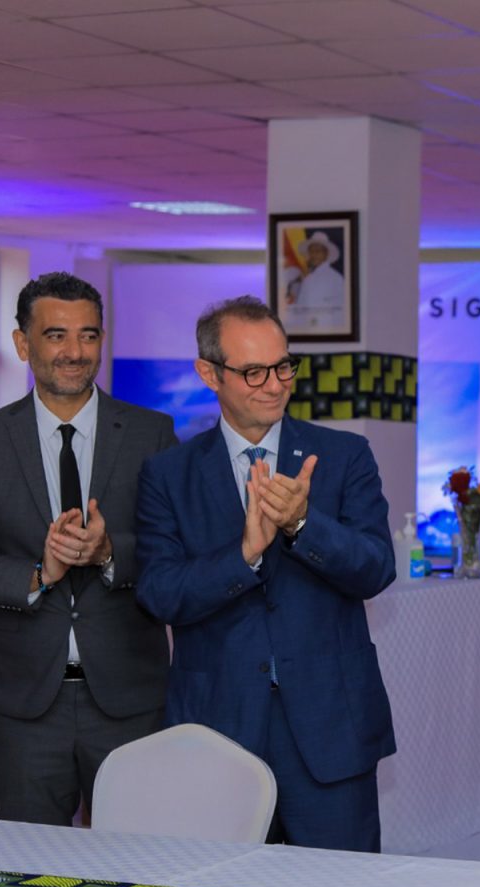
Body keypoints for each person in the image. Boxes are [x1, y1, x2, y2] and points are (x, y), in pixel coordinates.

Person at [135, 295, 396, 852]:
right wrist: (244, 556)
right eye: (254, 371)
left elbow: (376, 567)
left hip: (330, 728)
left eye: (283, 367)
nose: (274, 385)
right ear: (209, 373)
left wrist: (302, 525)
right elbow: (159, 593)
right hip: (219, 729)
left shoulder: (345, 456)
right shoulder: (169, 474)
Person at [0, 272, 177, 825]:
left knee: (139, 866)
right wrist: (38, 573)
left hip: (129, 702)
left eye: (89, 335)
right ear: (22, 343)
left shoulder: (152, 434)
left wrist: (109, 554)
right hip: (24, 707)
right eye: (56, 335)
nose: (75, 352)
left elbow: (175, 551)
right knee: (28, 868)